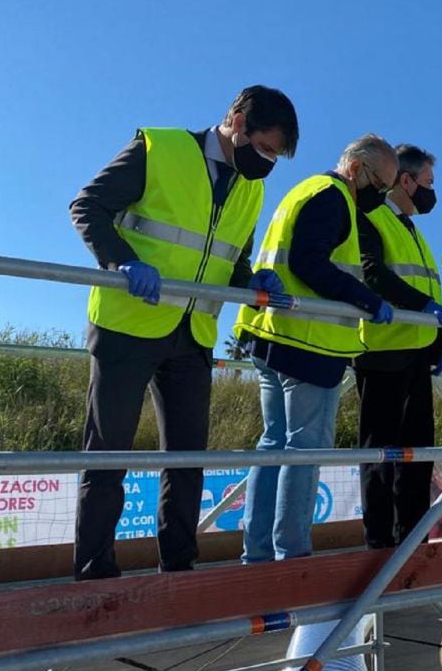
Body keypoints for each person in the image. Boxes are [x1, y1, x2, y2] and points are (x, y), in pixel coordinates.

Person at [70, 85, 299, 580]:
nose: (267, 162)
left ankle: (178, 570)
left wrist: (251, 279)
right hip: (127, 324)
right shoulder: (160, 148)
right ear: (236, 120)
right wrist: (123, 262)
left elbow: (232, 259)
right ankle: (94, 577)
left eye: (275, 156)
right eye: (264, 147)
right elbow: (86, 206)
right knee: (108, 456)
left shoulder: (251, 187)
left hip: (193, 333)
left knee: (188, 459)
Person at [234, 135, 398, 562]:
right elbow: (309, 263)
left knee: (275, 444)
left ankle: (258, 555)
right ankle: (292, 557)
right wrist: (368, 300)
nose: (381, 196)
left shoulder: (305, 189)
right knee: (304, 450)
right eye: (381, 184)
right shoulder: (333, 197)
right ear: (358, 168)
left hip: (273, 335)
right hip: (308, 344)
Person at [355, 144, 442, 548]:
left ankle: (412, 541)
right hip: (382, 353)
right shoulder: (372, 217)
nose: (432, 192)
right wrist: (423, 307)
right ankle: (380, 545)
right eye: (428, 183)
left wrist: (435, 345)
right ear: (406, 180)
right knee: (381, 456)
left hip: (416, 357)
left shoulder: (412, 230)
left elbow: (423, 285)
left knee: (416, 457)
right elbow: (372, 273)